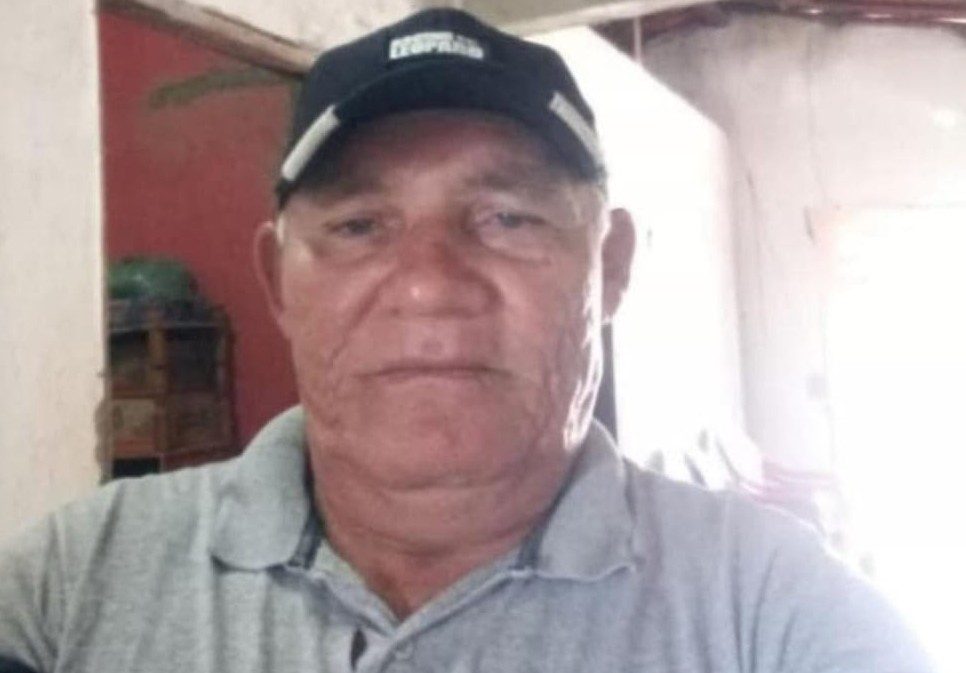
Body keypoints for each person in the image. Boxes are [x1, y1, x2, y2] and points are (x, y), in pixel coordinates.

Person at [0, 8, 934, 673]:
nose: (429, 283)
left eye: (507, 218)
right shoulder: (75, 583)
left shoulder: (770, 612)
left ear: (610, 267)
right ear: (278, 281)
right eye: (359, 225)